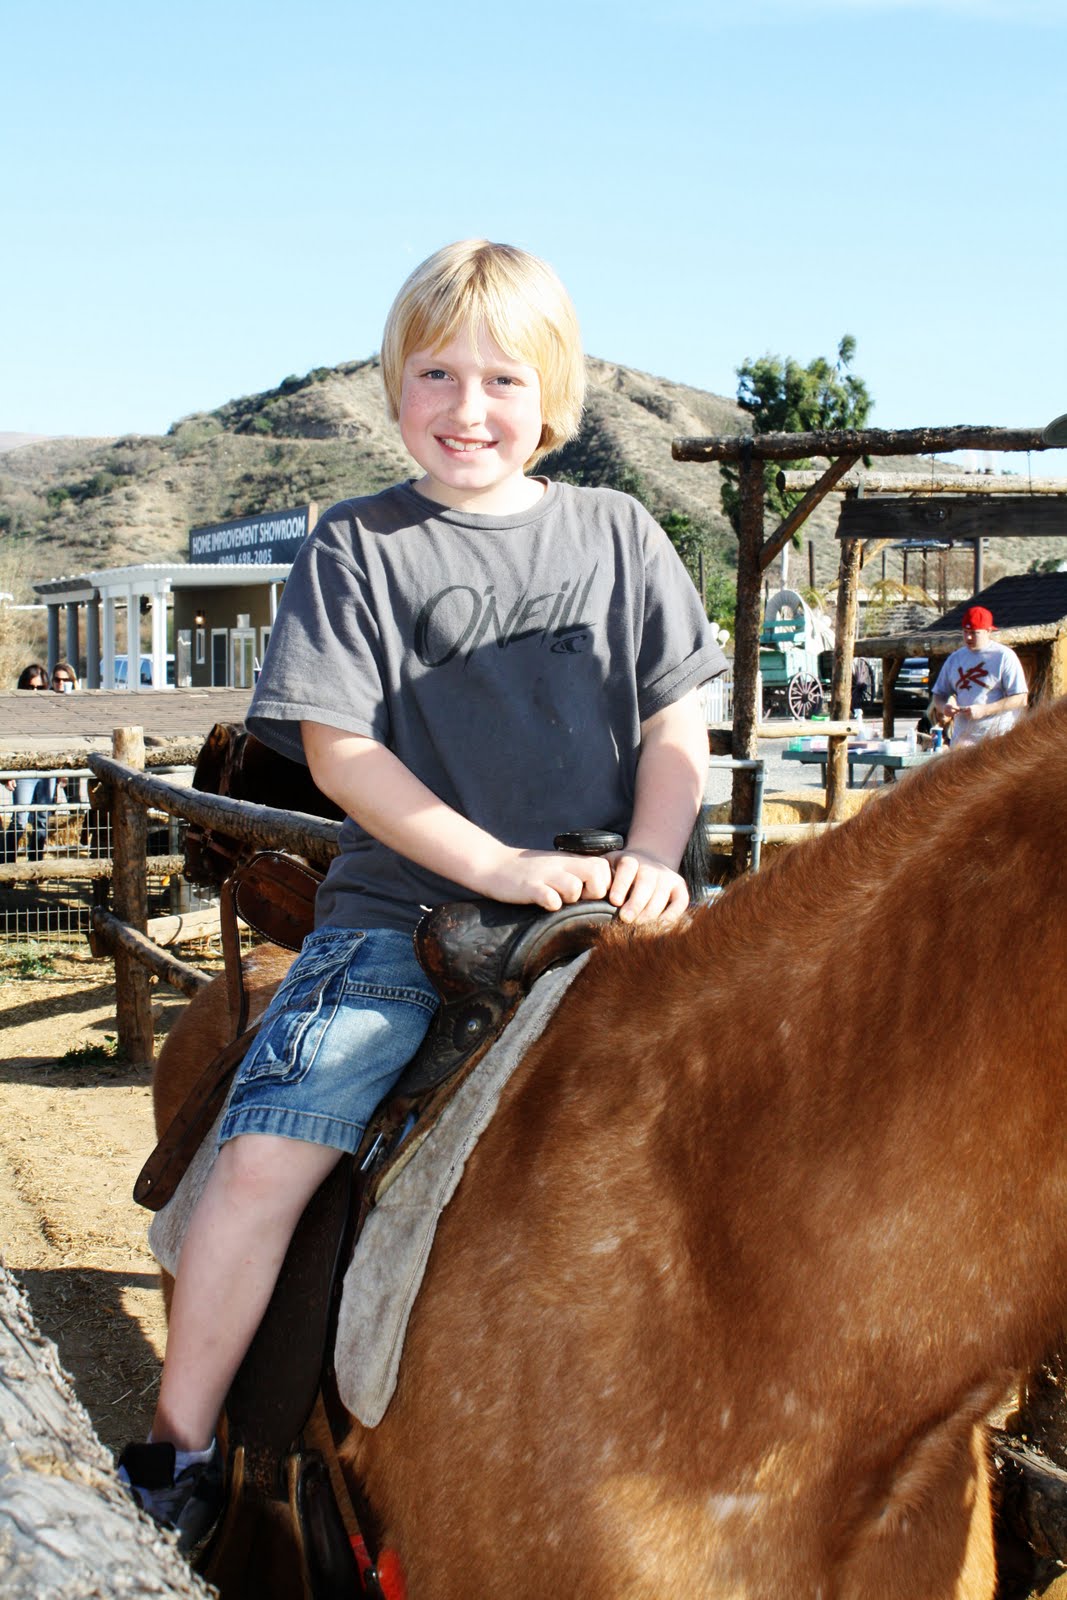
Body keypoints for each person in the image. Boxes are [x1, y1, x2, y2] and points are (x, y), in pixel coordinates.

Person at [117, 239, 726, 1546]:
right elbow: (342, 752)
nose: (466, 406)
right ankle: (179, 1446)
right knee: (262, 1164)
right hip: (405, 919)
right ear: (394, 385)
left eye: (501, 378)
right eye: (436, 373)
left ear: (552, 397)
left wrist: (654, 858)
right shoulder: (357, 544)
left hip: (615, 916)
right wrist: (500, 867)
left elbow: (677, 721)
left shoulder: (618, 535)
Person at [930, 605, 1028, 748]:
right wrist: (945, 707)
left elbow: (1021, 698)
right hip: (962, 740)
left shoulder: (1004, 656)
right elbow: (939, 694)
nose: (968, 637)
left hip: (997, 738)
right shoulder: (955, 658)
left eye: (974, 633)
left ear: (988, 631)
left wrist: (984, 710)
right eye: (965, 632)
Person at [2, 664, 52, 862]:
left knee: (42, 820)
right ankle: (6, 863)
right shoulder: (13, 711)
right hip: (23, 771)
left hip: (47, 771)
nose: (34, 692)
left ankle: (36, 863)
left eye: (39, 688)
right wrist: (7, 773)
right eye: (30, 687)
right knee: (20, 819)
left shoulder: (51, 710)